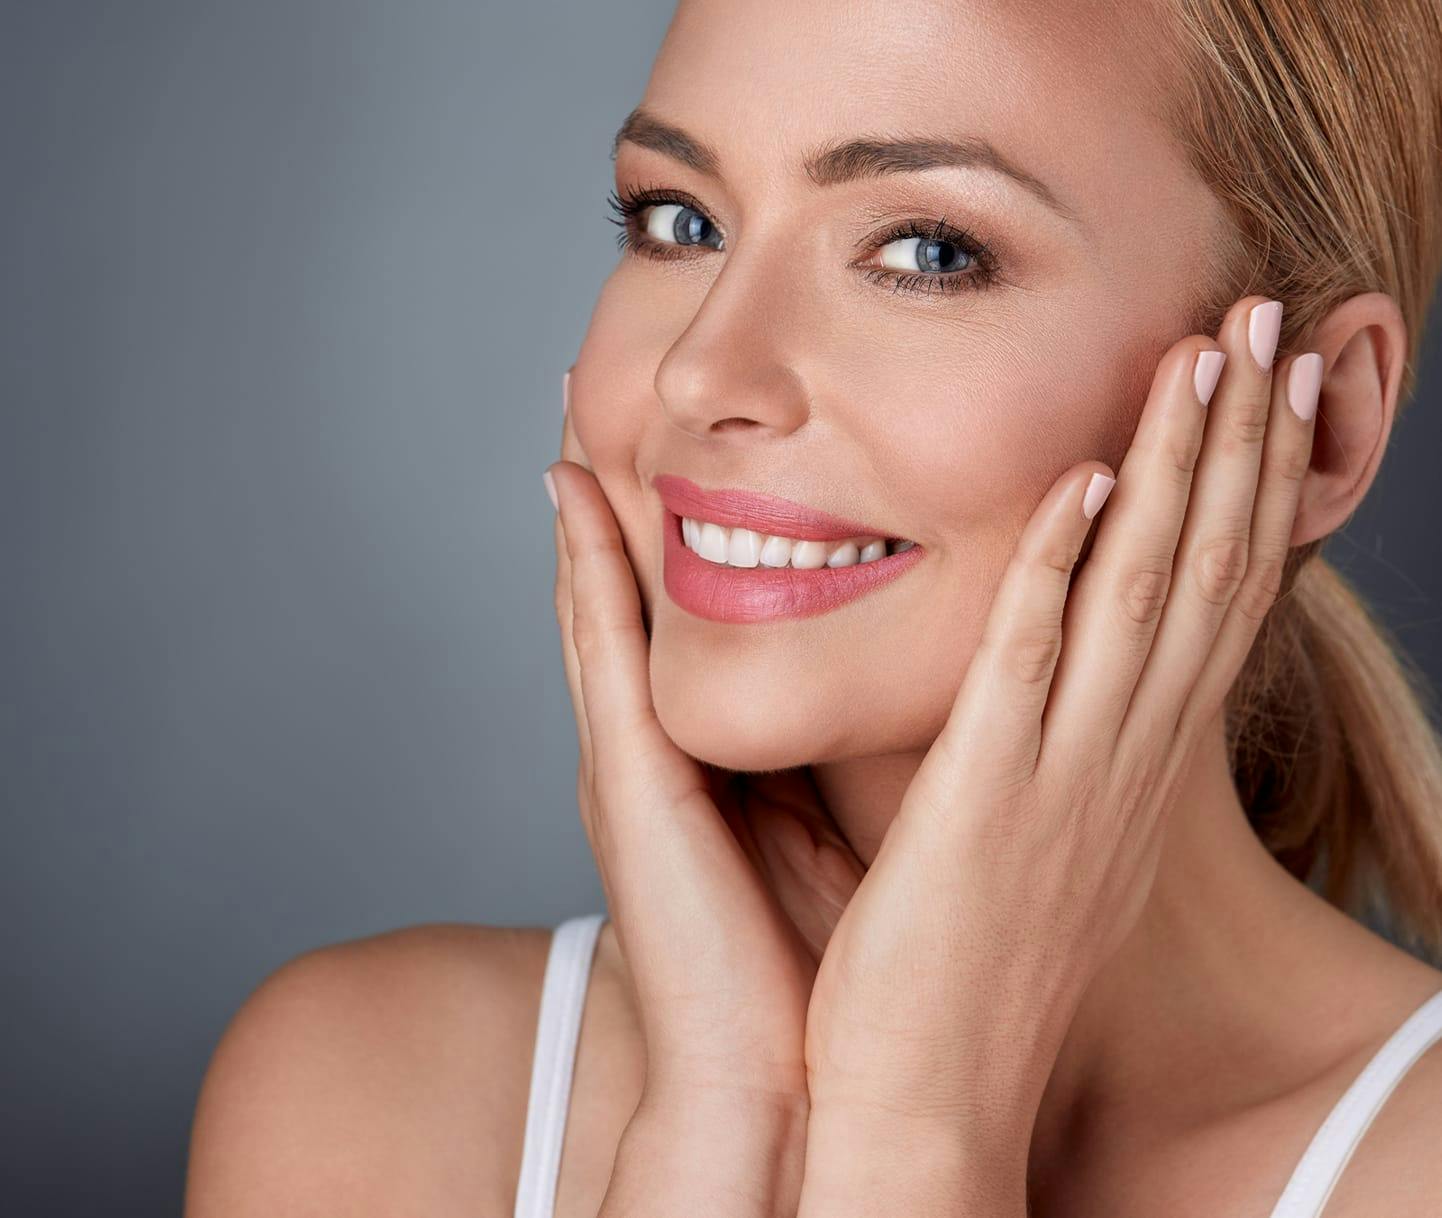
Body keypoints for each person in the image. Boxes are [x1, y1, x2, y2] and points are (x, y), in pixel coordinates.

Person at [182, 0, 1442, 1214]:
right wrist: (718, 1114)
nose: (701, 373)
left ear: (1322, 422)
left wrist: (916, 1135)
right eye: (678, 221)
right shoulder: (371, 1101)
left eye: (927, 252)